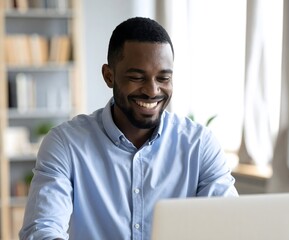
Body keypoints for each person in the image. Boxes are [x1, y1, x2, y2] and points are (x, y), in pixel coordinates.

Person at [19, 17, 238, 240]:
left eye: (163, 78)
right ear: (109, 76)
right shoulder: (65, 143)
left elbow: (229, 225)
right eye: (136, 77)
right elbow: (41, 230)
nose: (152, 91)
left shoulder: (199, 145)